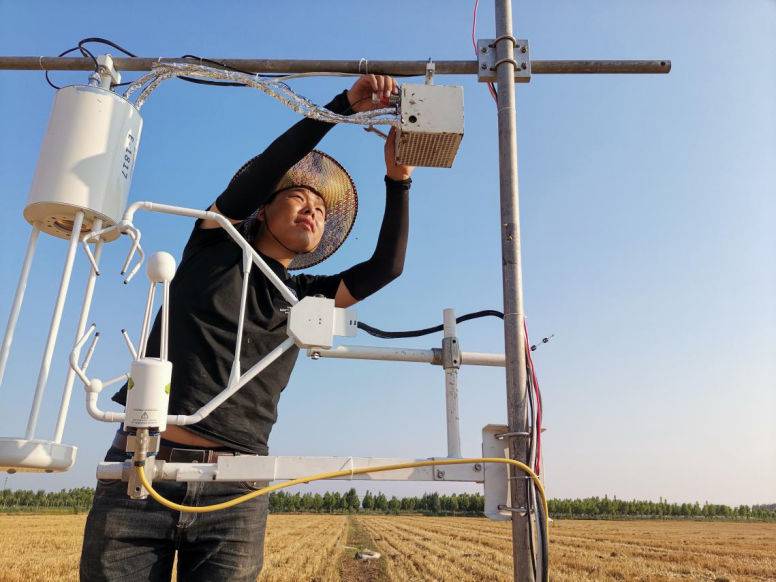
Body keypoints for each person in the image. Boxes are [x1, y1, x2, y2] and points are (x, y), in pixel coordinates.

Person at [79, 74, 413, 581]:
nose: (313, 210)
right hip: (141, 470)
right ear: (263, 208)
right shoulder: (215, 244)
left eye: (322, 211)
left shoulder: (307, 298)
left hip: (237, 488)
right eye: (301, 197)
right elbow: (270, 164)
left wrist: (399, 179)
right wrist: (341, 107)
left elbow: (387, 267)